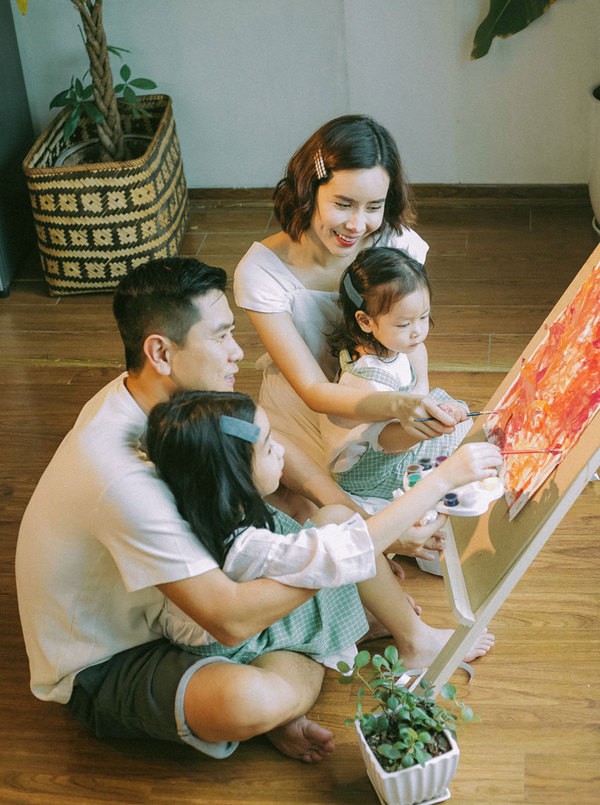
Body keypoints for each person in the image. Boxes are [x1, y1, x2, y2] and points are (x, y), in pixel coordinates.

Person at [16, 257, 402, 765]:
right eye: (220, 336)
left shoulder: (166, 393)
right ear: (161, 351)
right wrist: (341, 564)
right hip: (113, 655)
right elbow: (230, 621)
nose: (238, 351)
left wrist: (353, 517)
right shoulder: (123, 478)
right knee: (252, 701)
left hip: (177, 607)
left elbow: (268, 441)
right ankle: (313, 652)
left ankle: (315, 638)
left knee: (301, 498)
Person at [145, 390, 501, 675]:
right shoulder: (245, 547)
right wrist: (443, 479)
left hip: (247, 606)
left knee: (335, 518)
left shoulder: (204, 502)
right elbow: (342, 550)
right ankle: (416, 642)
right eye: (268, 447)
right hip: (244, 641)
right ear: (231, 477)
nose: (281, 451)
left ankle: (384, 621)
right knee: (340, 535)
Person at [234, 114, 462, 478]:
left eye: (373, 207)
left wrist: (418, 394)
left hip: (389, 395)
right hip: (310, 411)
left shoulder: (396, 245)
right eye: (343, 204)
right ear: (308, 190)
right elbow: (313, 390)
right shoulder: (263, 272)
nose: (357, 225)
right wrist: (399, 405)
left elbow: (410, 339)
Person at [322, 246, 472, 510]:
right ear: (365, 321)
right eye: (404, 324)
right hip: (374, 468)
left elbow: (418, 358)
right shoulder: (369, 380)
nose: (418, 332)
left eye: (424, 317)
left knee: (463, 424)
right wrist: (427, 425)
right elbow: (387, 440)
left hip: (397, 427)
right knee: (459, 454)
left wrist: (422, 398)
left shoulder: (392, 341)